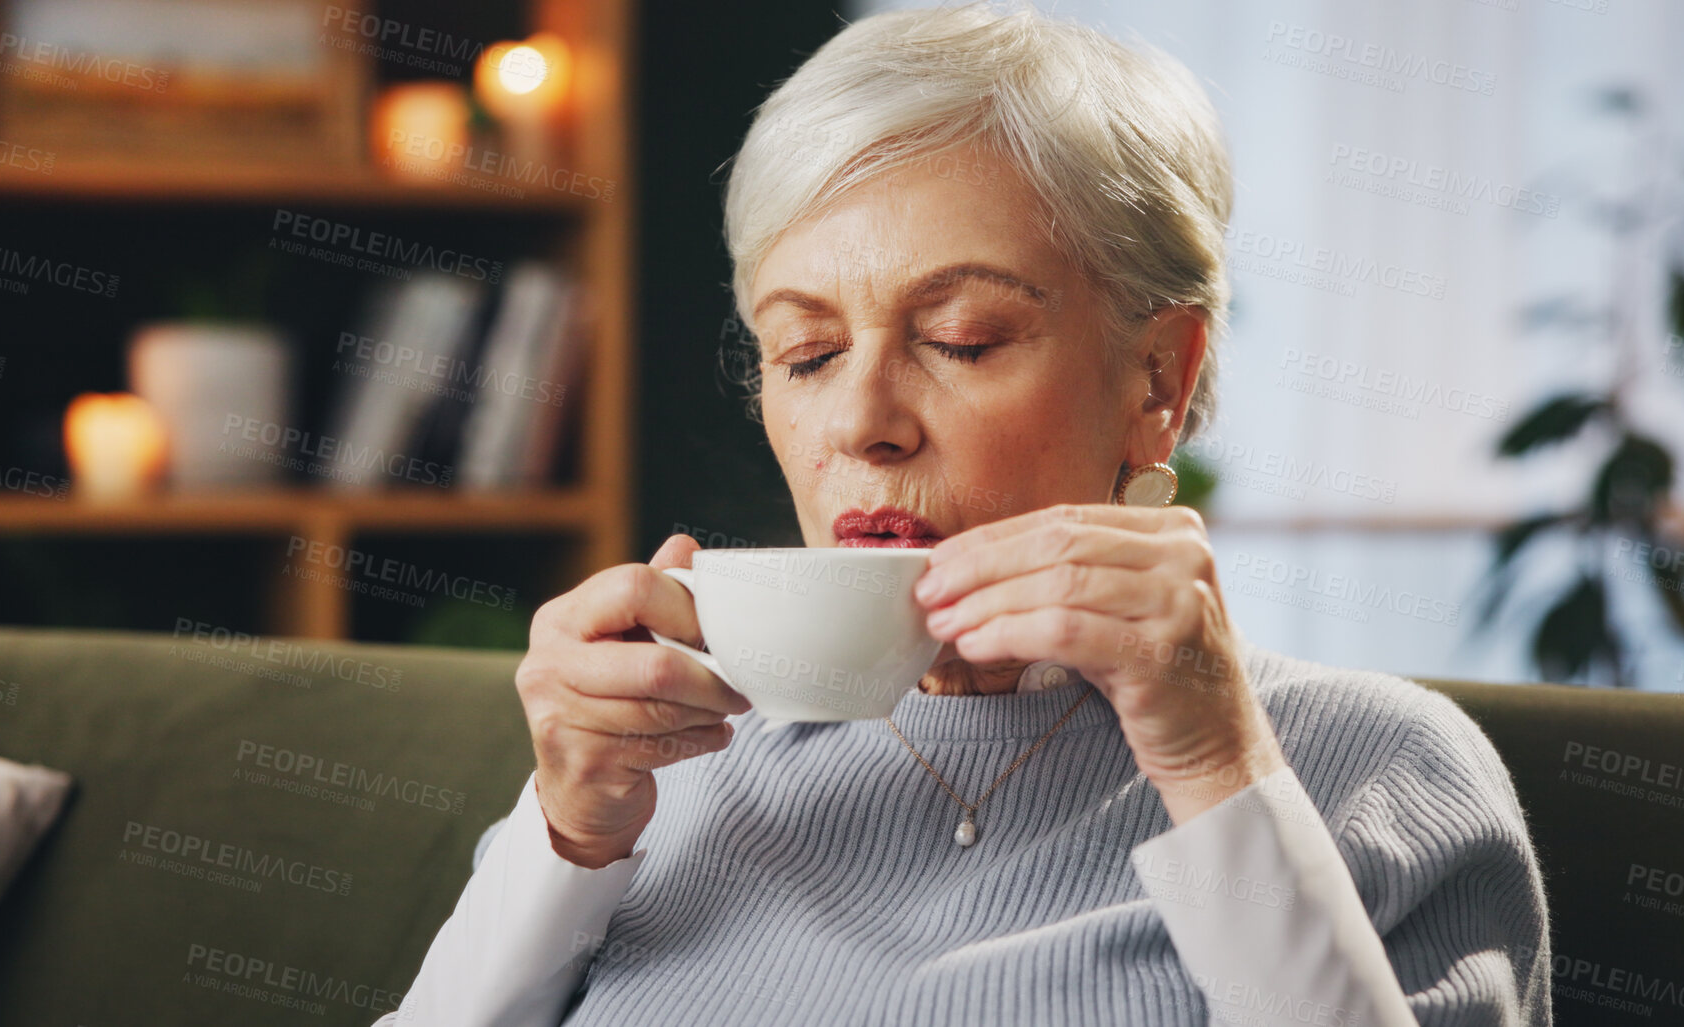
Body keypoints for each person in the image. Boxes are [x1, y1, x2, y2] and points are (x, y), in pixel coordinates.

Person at [379, 4, 1551, 1025]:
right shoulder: (658, 773)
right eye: (809, 352)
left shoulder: (1373, 771)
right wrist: (567, 839)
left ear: (1160, 381)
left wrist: (1211, 763)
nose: (864, 422)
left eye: (961, 339)